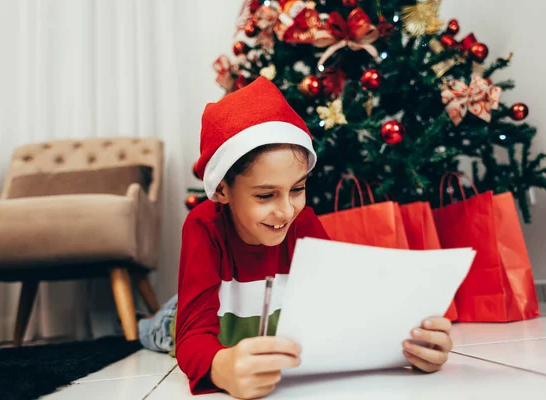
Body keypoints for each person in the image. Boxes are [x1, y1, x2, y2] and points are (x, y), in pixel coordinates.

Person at [138, 77, 454, 399]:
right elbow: (192, 336)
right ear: (222, 190)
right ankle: (145, 322)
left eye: (298, 189)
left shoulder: (303, 223)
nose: (287, 211)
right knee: (157, 331)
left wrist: (411, 344)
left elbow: (344, 307)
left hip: (258, 314)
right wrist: (221, 367)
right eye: (265, 195)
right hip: (190, 311)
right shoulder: (203, 226)